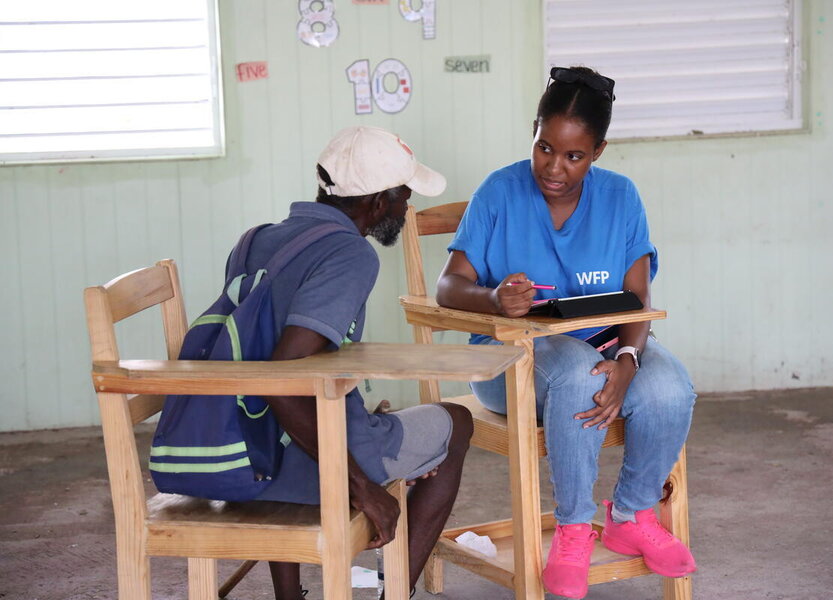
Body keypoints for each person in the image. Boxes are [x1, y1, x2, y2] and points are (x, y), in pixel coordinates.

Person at [435, 66, 696, 599]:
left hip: (608, 346)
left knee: (670, 389)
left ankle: (629, 516)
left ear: (598, 151)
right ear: (534, 133)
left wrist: (627, 361)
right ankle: (574, 528)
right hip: (511, 357)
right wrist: (491, 297)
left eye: (573, 156)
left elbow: (638, 299)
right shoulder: (499, 191)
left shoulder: (622, 197)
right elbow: (447, 286)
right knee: (578, 376)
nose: (554, 168)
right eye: (544, 148)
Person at [240, 126, 473, 599]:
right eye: (404, 197)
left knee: (376, 419)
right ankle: (397, 591)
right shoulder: (351, 253)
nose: (407, 209)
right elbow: (283, 376)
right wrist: (364, 487)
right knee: (458, 421)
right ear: (377, 200)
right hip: (316, 456)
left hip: (250, 449)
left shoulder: (256, 240)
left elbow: (264, 364)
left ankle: (290, 595)